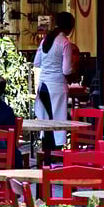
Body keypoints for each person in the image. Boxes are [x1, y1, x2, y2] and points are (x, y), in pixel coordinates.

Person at [33, 12, 76, 152]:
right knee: (58, 124)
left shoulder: (45, 40)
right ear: (70, 27)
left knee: (46, 124)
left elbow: (37, 62)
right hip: (57, 87)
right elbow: (67, 70)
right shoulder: (65, 43)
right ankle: (55, 158)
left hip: (43, 86)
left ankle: (46, 158)